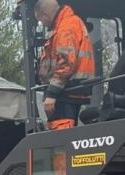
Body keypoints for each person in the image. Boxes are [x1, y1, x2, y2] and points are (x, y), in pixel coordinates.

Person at [35, 0, 95, 130]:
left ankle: (62, 151)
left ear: (45, 14)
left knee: (61, 137)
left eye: (41, 20)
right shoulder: (70, 23)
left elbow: (66, 62)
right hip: (71, 88)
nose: (43, 24)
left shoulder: (66, 27)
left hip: (66, 91)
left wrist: (52, 93)